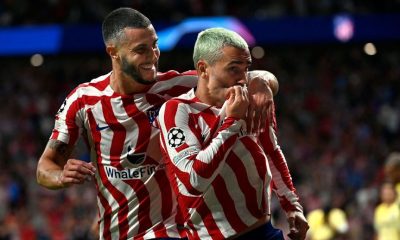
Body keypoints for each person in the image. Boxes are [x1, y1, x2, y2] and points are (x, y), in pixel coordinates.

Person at [36, 8, 279, 240]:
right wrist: (60, 177)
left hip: (174, 231)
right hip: (120, 232)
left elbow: (252, 76)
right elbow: (45, 167)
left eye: (154, 45)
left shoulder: (175, 86)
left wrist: (262, 84)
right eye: (141, 49)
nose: (153, 56)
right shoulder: (84, 101)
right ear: (113, 52)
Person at [158, 27, 308, 240]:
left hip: (264, 231)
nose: (242, 78)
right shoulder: (177, 111)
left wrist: (292, 206)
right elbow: (194, 181)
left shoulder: (252, 100)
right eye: (233, 69)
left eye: (246, 68)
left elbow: (271, 151)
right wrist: (232, 122)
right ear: (203, 69)